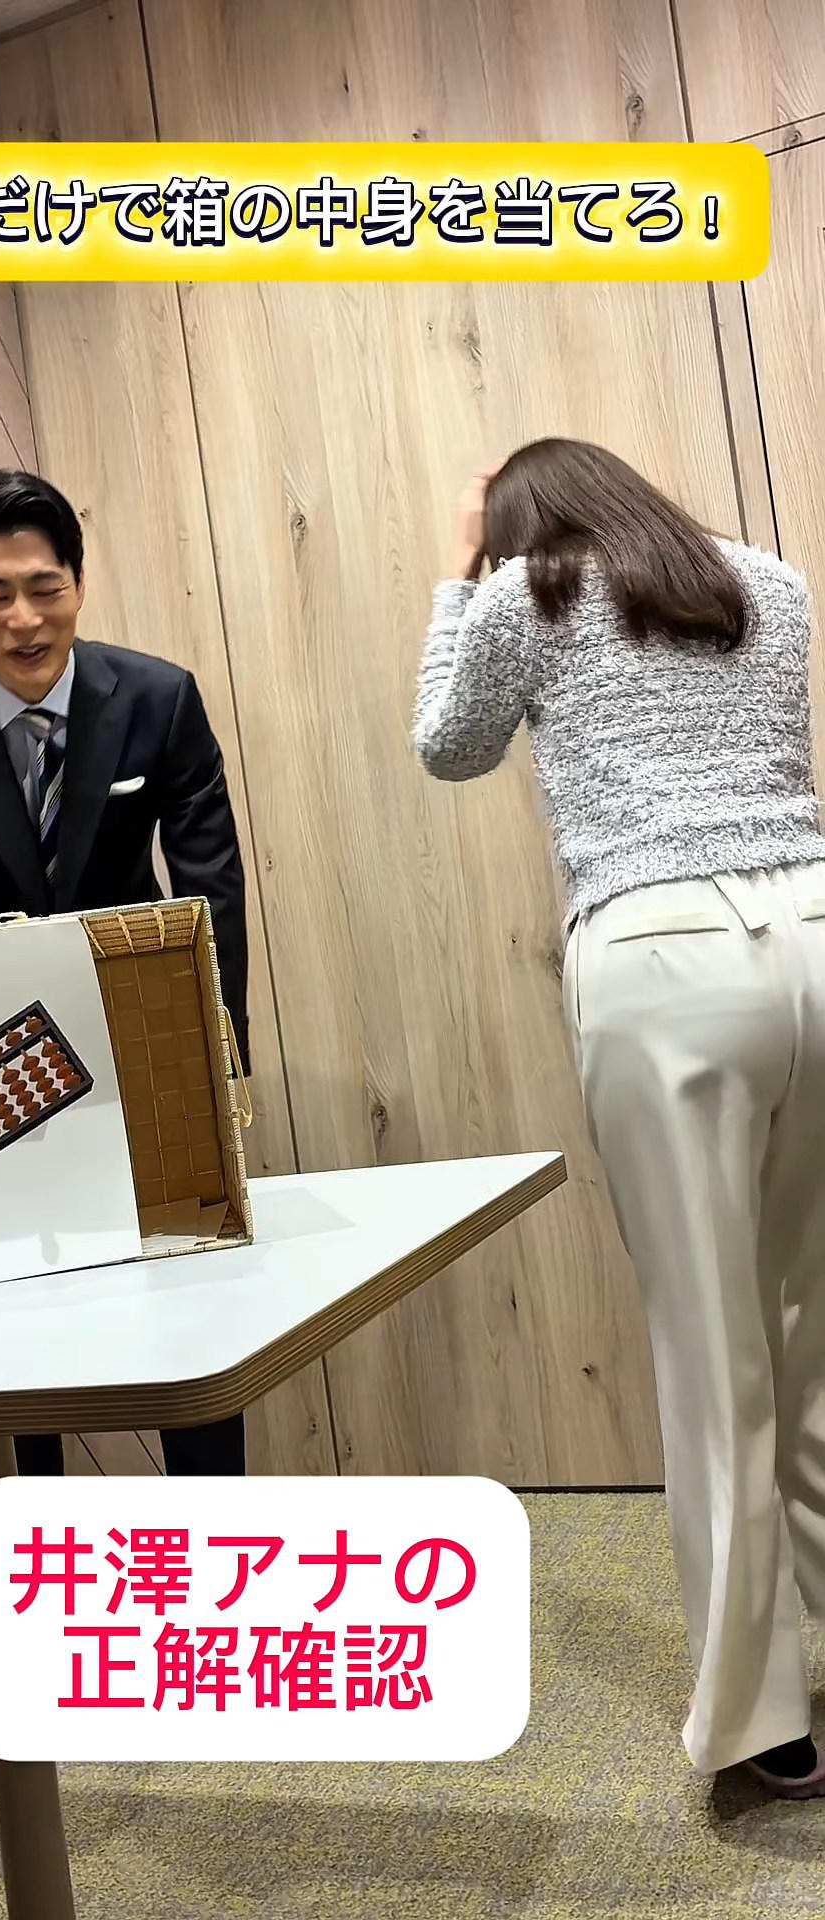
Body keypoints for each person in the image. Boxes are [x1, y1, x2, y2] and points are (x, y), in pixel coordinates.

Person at [413, 437, 825, 1797]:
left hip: (665, 956)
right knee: (815, 1336)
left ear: (523, 524)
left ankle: (761, 1724)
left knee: (714, 1352)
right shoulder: (768, 581)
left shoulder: (521, 593)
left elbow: (448, 747)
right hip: (817, 926)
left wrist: (455, 573)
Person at [0, 468, 250, 1480]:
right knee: (25, 1317)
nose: (25, 620)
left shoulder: (159, 699)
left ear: (78, 579)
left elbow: (210, 886)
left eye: (45, 587)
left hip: (146, 1026)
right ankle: (50, 1526)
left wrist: (222, 1050)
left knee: (191, 1291)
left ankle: (213, 1531)